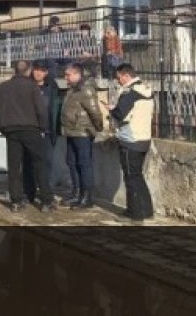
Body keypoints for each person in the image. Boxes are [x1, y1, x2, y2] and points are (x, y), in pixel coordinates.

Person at [0, 60, 55, 212]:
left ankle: (16, 201)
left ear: (15, 70)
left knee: (14, 167)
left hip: (11, 131)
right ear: (28, 71)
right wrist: (43, 128)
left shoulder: (2, 88)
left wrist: (4, 130)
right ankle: (46, 201)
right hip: (31, 130)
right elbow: (41, 111)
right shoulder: (32, 87)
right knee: (40, 164)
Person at [110, 63, 154, 221]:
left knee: (131, 177)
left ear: (126, 76)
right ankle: (147, 210)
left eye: (119, 78)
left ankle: (135, 214)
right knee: (137, 176)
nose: (118, 81)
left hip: (130, 139)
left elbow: (120, 113)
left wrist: (111, 109)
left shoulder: (130, 93)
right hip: (144, 138)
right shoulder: (146, 89)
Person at [61, 63, 103, 208]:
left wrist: (98, 127)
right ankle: (77, 192)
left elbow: (95, 111)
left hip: (83, 131)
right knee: (71, 162)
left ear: (77, 74)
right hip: (71, 130)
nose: (66, 77)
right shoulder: (72, 89)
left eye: (68, 74)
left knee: (84, 164)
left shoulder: (86, 89)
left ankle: (87, 197)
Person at [23, 61, 60, 204]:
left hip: (48, 131)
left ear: (46, 73)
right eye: (35, 70)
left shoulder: (52, 87)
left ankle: (47, 193)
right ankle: (29, 192)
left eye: (41, 71)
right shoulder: (27, 86)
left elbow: (55, 109)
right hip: (31, 130)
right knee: (29, 163)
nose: (37, 73)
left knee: (47, 163)